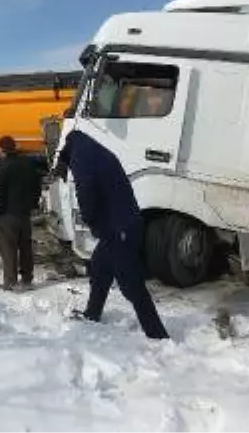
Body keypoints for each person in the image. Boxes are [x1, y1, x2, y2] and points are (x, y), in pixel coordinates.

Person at [56, 129, 169, 340]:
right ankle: (92, 313)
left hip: (120, 229)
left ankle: (157, 335)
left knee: (131, 284)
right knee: (99, 269)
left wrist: (89, 219)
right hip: (117, 226)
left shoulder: (82, 157)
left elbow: (86, 190)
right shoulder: (90, 149)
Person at [0, 135, 42, 291]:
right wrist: (32, 204)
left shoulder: (2, 167)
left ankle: (10, 281)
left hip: (7, 214)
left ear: (3, 150)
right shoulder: (27, 165)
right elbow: (37, 187)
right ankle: (27, 279)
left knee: (8, 248)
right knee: (25, 247)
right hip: (24, 213)